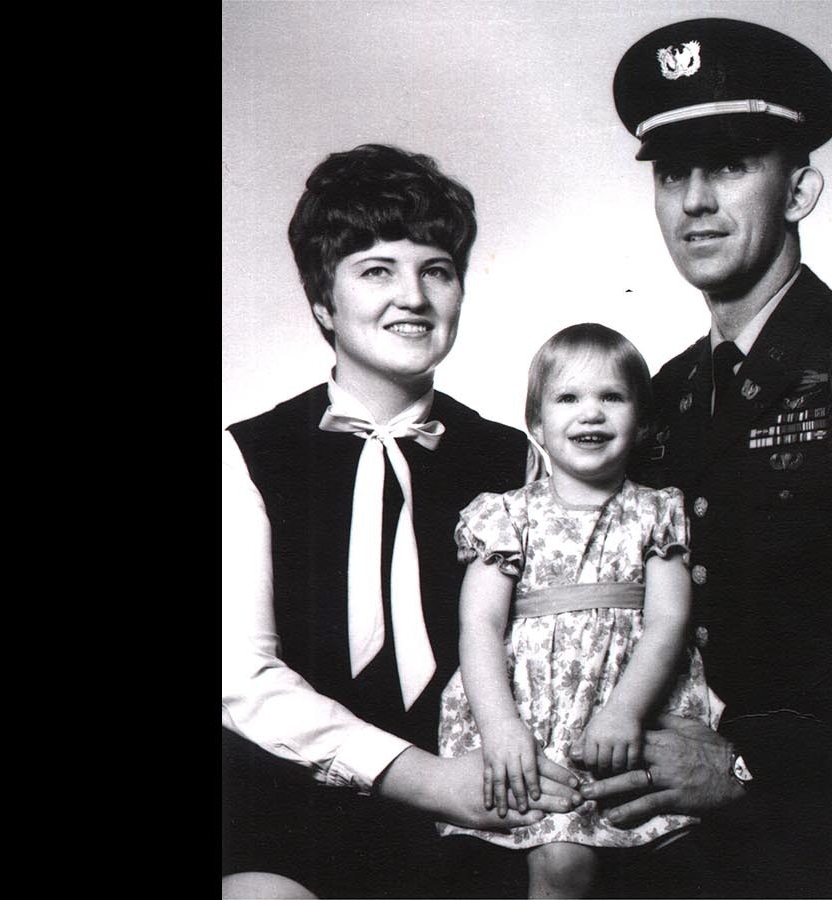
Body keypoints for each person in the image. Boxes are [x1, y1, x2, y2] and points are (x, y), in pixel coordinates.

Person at [579, 18, 832, 898]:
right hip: (679, 844)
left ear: (801, 189)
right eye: (671, 174)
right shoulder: (661, 397)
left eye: (731, 165)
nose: (695, 200)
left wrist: (747, 766)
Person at [221, 144, 585, 899]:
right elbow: (244, 681)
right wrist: (422, 779)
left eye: (437, 270)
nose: (413, 296)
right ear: (323, 300)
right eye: (377, 270)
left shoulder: (515, 460)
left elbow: (554, 648)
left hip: (476, 804)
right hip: (283, 798)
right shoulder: (246, 456)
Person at [434, 323, 720, 898]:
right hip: (530, 717)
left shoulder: (657, 511)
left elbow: (669, 622)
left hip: (627, 707)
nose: (590, 414)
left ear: (640, 422)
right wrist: (501, 729)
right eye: (568, 398)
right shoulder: (504, 515)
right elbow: (480, 626)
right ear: (537, 424)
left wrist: (623, 712)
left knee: (672, 864)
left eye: (611, 397)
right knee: (561, 864)